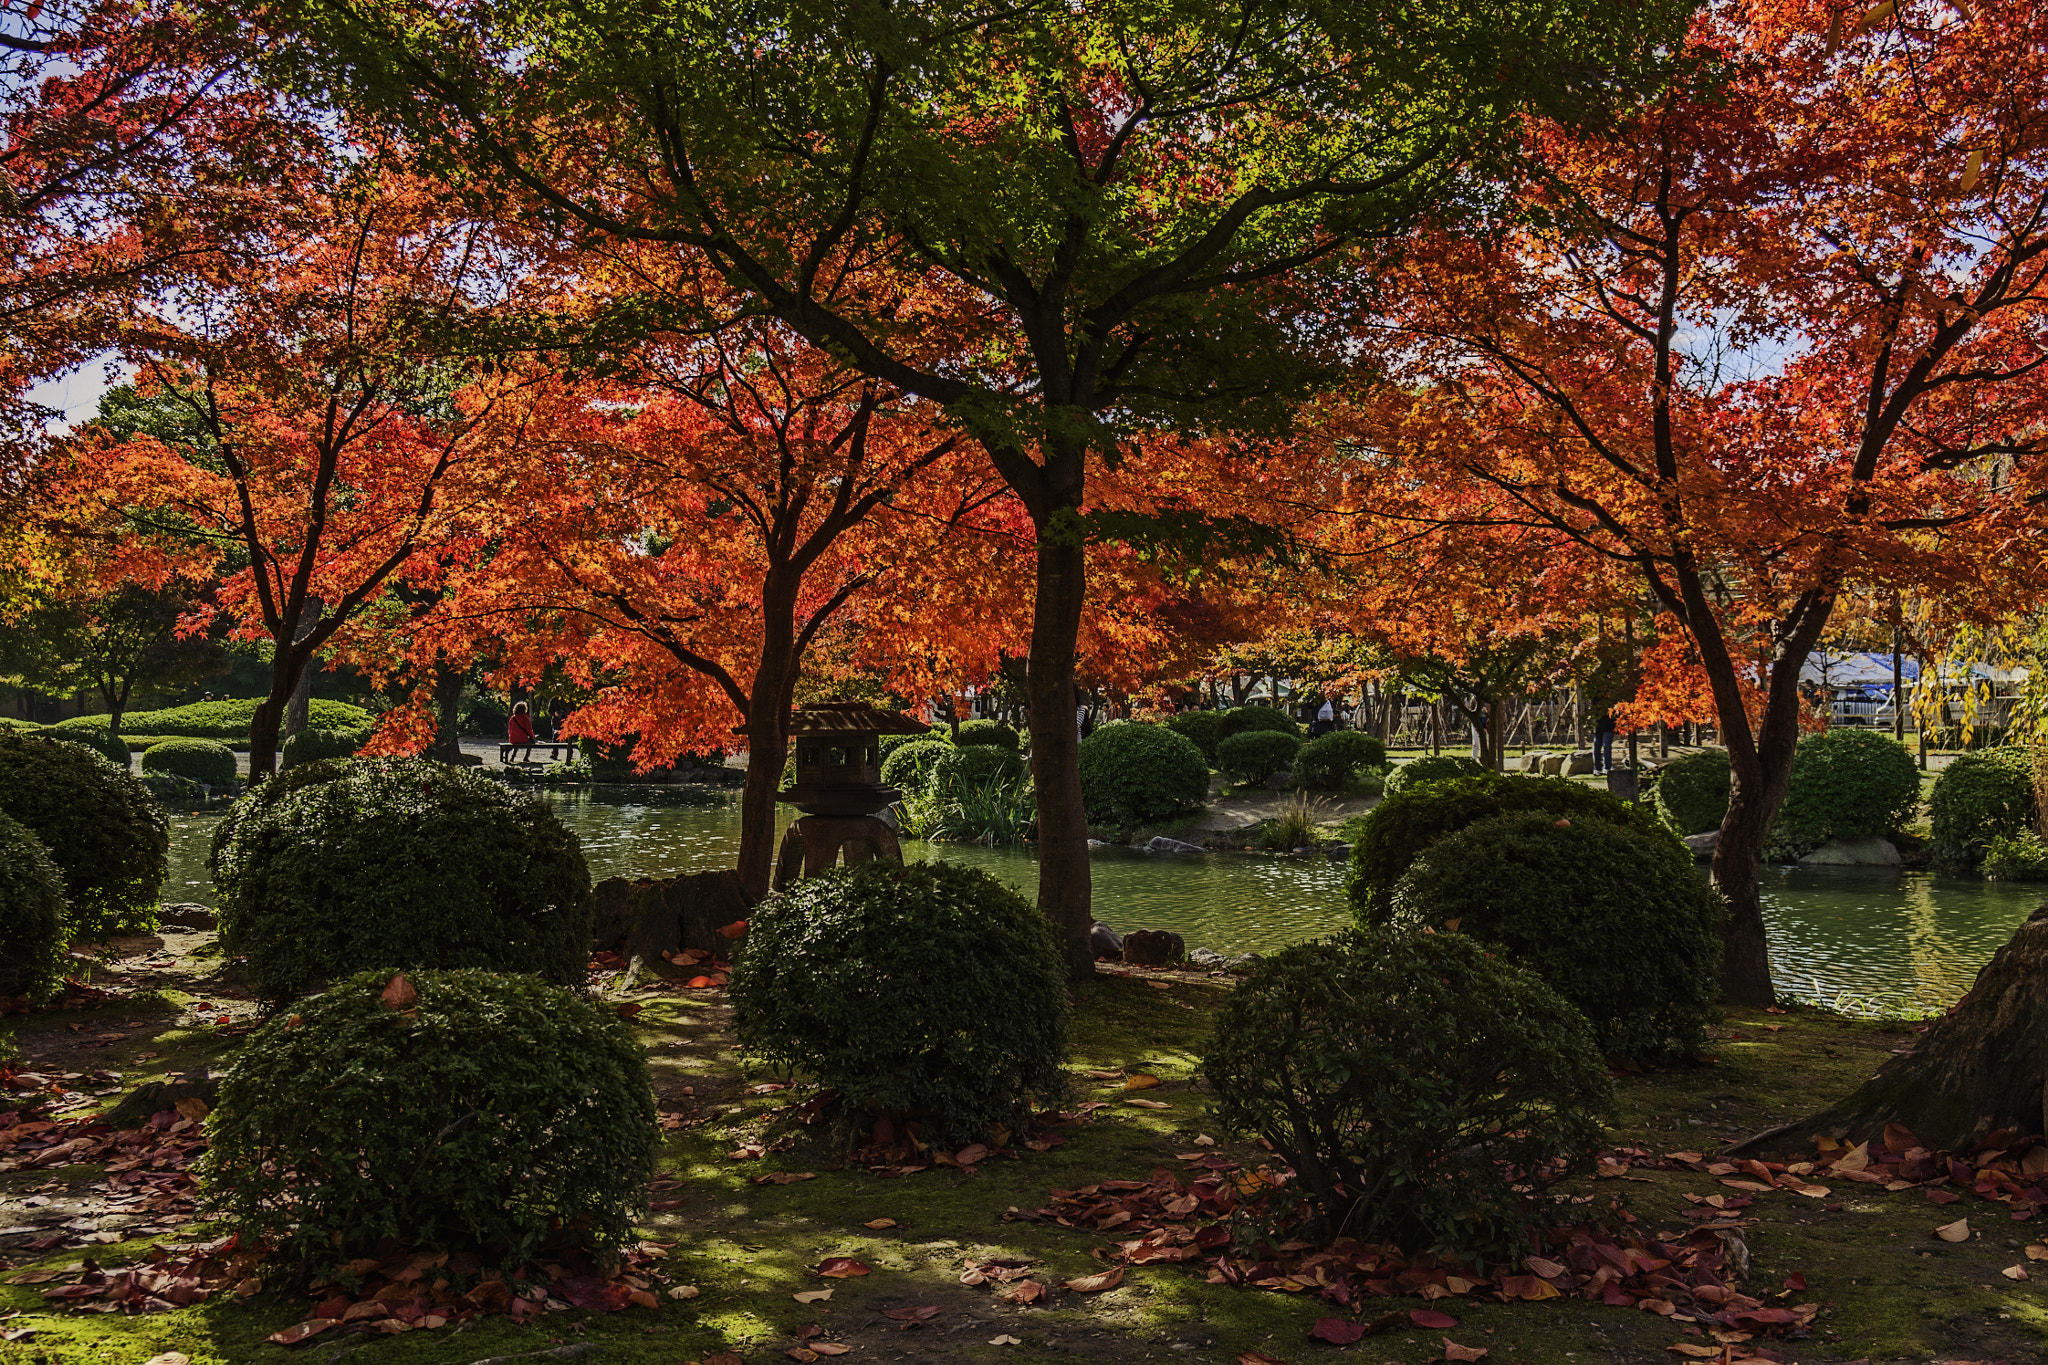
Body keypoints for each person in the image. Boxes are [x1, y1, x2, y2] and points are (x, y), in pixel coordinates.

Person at [1592, 703, 1617, 775]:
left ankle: (1599, 768)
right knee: (1605, 746)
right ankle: (1605, 767)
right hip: (1606, 724)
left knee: (1600, 746)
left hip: (1599, 724)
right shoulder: (1611, 697)